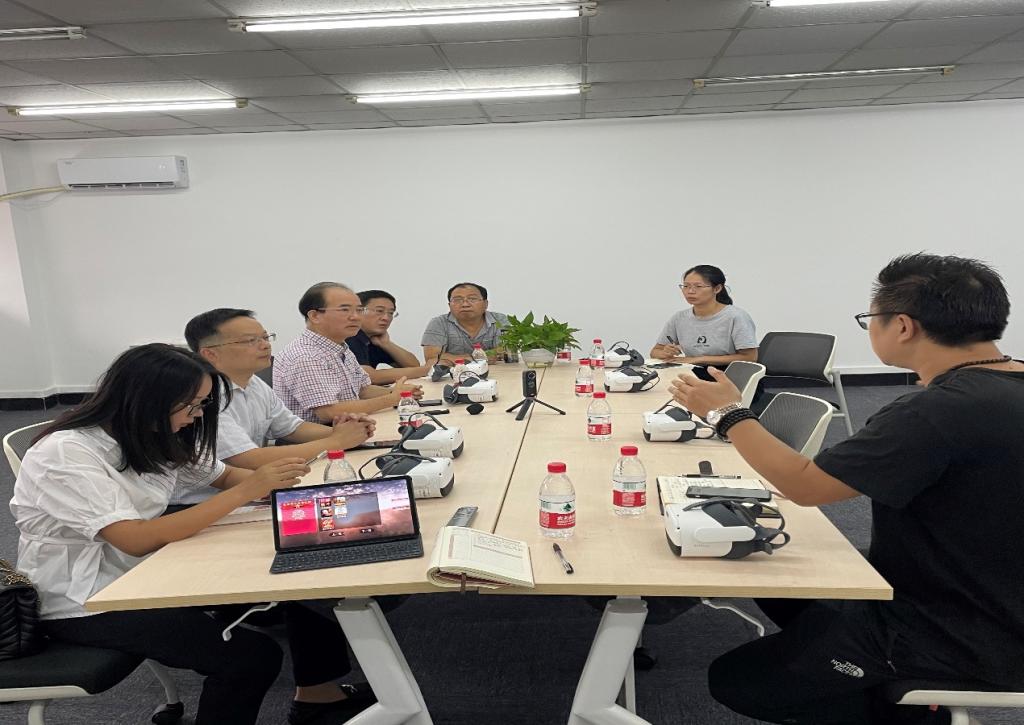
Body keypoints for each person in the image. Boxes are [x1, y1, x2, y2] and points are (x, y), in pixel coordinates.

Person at [669, 253, 1024, 725]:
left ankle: (914, 712)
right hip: (993, 597)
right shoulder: (997, 389)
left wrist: (729, 413)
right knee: (784, 583)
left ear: (902, 326)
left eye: (869, 319)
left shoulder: (935, 412)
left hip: (959, 631)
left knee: (738, 680)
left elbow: (806, 486)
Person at [10, 344, 376, 725]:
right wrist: (250, 489)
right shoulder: (66, 453)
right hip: (84, 600)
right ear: (146, 400)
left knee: (300, 584)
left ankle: (317, 694)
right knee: (251, 659)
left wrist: (296, 489)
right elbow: (135, 538)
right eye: (190, 405)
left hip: (144, 572)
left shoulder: (151, 433)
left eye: (202, 404)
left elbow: (227, 477)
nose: (197, 415)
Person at [183, 307, 375, 476]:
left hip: (253, 483)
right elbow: (248, 459)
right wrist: (336, 441)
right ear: (210, 353)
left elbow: (292, 428)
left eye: (265, 337)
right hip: (209, 497)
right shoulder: (202, 397)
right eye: (250, 340)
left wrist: (344, 431)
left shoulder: (253, 382)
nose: (265, 345)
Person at [274, 282, 422, 422]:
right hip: (324, 436)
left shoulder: (340, 347)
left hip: (352, 427)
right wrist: (390, 399)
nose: (356, 317)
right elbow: (329, 412)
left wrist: (399, 392)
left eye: (359, 310)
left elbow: (362, 390)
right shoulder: (306, 356)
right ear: (315, 316)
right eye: (345, 310)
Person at [650, 265, 758, 378]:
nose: (690, 291)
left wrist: (699, 359)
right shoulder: (679, 318)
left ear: (717, 288)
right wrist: (665, 352)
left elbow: (750, 357)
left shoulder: (736, 316)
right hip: (693, 371)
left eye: (698, 286)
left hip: (728, 375)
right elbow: (655, 351)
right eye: (686, 286)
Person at [351, 290, 431, 384]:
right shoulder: (349, 337)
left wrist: (387, 344)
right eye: (379, 311)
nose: (386, 318)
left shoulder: (373, 340)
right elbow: (369, 377)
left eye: (391, 313)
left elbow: (413, 366)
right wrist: (429, 370)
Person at [421, 282, 509, 364]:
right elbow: (432, 358)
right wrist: (476, 358)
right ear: (449, 305)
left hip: (497, 372)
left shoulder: (500, 320)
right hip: (453, 374)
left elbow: (506, 352)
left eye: (472, 299)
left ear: (485, 304)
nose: (465, 304)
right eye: (457, 300)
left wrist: (452, 358)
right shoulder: (438, 323)